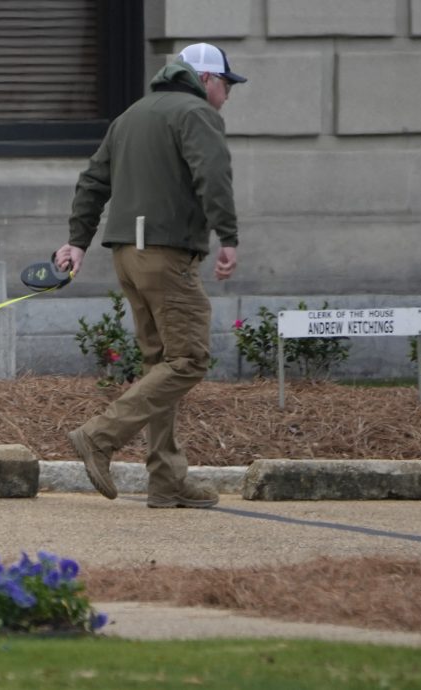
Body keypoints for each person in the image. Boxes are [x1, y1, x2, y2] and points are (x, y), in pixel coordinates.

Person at [54, 42, 246, 509]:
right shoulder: (196, 114)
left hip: (126, 255)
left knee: (161, 365)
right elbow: (213, 173)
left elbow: (93, 180)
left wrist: (77, 240)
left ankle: (167, 479)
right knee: (189, 361)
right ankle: (100, 436)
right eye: (224, 83)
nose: (227, 94)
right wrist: (229, 236)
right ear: (203, 79)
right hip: (165, 256)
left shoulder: (131, 115)